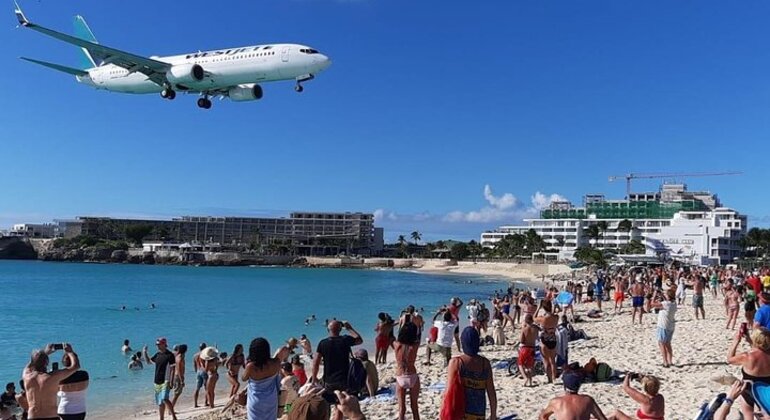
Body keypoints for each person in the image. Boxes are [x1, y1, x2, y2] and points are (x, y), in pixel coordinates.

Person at [311, 320, 363, 420]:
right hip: (345, 379)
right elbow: (359, 340)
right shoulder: (345, 339)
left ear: (328, 330)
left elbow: (315, 363)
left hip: (329, 381)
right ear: (340, 329)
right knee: (339, 404)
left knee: (332, 405)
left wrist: (314, 378)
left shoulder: (323, 343)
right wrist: (349, 328)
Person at [443, 327, 497, 420]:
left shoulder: (456, 363)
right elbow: (491, 392)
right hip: (479, 414)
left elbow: (448, 390)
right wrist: (493, 416)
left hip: (460, 413)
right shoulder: (485, 364)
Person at [242, 337, 296, 420]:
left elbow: (243, 378)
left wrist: (247, 362)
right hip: (271, 399)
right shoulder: (275, 363)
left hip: (255, 400)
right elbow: (283, 350)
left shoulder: (251, 366)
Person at [23, 343, 80, 420]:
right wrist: (70, 352)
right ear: (46, 363)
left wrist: (45, 352)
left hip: (33, 416)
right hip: (50, 416)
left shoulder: (27, 376)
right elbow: (75, 366)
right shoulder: (53, 376)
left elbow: (30, 364)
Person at [727, 326, 770, 419]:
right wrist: (750, 340)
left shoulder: (747, 356)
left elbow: (729, 360)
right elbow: (762, 350)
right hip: (765, 393)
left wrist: (736, 341)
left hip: (748, 390)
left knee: (748, 416)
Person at [539, 370, 608, 419]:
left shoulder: (556, 402)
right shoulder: (588, 400)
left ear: (565, 385)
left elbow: (543, 416)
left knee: (542, 414)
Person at [143, 338, 177, 420]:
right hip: (157, 381)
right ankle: (161, 418)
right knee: (160, 403)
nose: (157, 346)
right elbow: (148, 362)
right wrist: (144, 352)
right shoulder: (157, 355)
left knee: (165, 398)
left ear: (164, 344)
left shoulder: (170, 355)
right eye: (157, 344)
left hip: (166, 380)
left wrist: (171, 381)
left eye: (159, 344)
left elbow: (173, 369)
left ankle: (174, 416)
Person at [394, 322, 420, 420]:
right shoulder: (415, 346)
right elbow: (418, 336)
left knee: (401, 409)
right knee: (414, 407)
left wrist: (398, 324)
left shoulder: (396, 345)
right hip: (412, 375)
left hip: (400, 376)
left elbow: (389, 335)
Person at [56, 350, 88, 420]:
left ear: (64, 363)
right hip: (80, 409)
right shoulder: (84, 375)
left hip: (65, 410)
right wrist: (70, 352)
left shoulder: (60, 377)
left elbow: (54, 390)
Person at [651, 289, 677, 368]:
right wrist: (662, 294)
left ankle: (665, 362)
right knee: (668, 344)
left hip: (663, 326)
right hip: (670, 326)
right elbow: (667, 300)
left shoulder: (666, 304)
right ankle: (670, 361)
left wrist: (654, 295)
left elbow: (652, 304)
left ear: (668, 296)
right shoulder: (674, 303)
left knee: (661, 343)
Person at [518, 314, 539, 387]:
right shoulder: (535, 329)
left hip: (525, 348)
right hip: (532, 348)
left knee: (520, 364)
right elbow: (536, 338)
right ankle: (530, 382)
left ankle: (525, 377)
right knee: (529, 366)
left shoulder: (524, 329)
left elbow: (521, 340)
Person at [170, 344, 187, 409]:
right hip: (178, 376)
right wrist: (182, 380)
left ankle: (171, 408)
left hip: (177, 376)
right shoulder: (180, 358)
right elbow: (179, 369)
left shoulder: (179, 356)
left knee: (177, 393)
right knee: (176, 394)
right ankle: (171, 409)